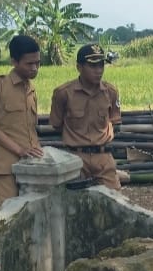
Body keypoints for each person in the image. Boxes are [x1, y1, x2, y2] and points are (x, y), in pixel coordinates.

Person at [49, 44, 122, 189]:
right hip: (75, 158)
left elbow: (115, 121)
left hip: (103, 157)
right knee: (75, 205)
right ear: (79, 67)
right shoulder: (63, 93)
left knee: (114, 202)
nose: (98, 71)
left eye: (101, 65)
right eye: (92, 66)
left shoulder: (110, 92)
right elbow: (57, 124)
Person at [0, 35, 44, 203]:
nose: (35, 68)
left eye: (37, 63)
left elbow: (31, 128)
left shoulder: (31, 88)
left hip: (32, 164)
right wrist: (19, 150)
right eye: (29, 63)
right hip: (7, 165)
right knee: (11, 216)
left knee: (35, 212)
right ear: (14, 62)